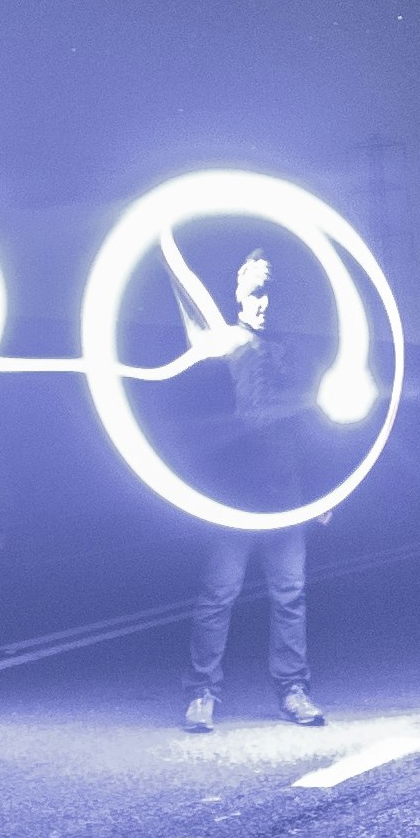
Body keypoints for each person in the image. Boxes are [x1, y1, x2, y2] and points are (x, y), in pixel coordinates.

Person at [183, 252, 323, 732]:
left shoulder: (294, 353)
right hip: (231, 494)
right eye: (256, 291)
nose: (264, 302)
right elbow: (197, 420)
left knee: (290, 594)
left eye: (271, 292)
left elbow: (312, 422)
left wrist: (322, 491)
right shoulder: (220, 343)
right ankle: (202, 692)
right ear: (239, 294)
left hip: (284, 492)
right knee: (218, 593)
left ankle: (293, 690)